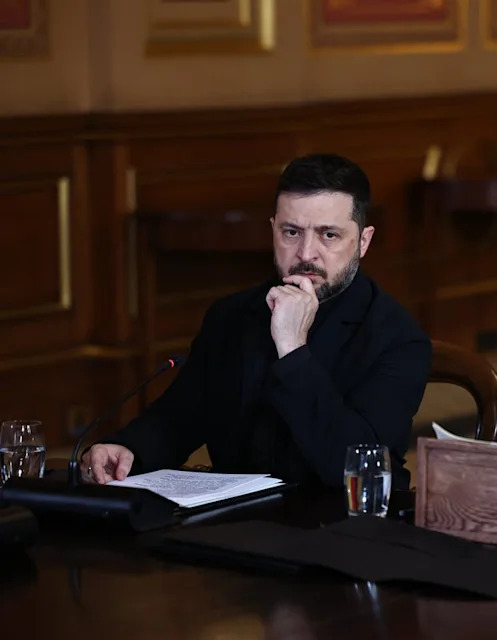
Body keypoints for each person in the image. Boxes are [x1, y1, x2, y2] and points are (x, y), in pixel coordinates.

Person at [82, 154, 431, 489]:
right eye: (291, 232)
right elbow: (179, 417)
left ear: (363, 241)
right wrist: (128, 449)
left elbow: (354, 468)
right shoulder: (231, 316)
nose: (306, 253)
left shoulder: (398, 339)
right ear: (273, 230)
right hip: (236, 525)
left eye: (329, 235)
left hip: (341, 532)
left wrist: (293, 349)